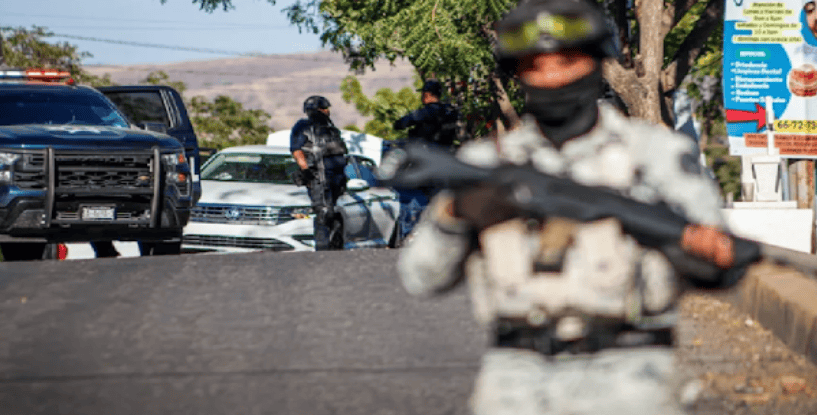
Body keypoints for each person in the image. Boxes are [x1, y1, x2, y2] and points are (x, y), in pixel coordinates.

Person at [397, 0, 731, 413]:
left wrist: (666, 232)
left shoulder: (655, 154)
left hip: (633, 374)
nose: (551, 77)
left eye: (567, 62)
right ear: (516, 73)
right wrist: (456, 214)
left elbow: (717, 259)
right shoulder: (486, 163)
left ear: (596, 62)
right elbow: (420, 278)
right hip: (513, 380)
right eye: (535, 66)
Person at [290, 95, 348, 251]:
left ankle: (334, 246)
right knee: (323, 212)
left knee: (332, 212)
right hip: (319, 177)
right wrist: (306, 171)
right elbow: (297, 150)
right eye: (325, 108)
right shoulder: (303, 126)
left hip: (335, 178)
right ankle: (322, 251)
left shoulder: (331, 129)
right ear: (317, 110)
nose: (328, 111)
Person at [393, 79, 461, 152]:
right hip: (446, 153)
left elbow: (400, 124)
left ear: (427, 94)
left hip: (426, 153)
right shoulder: (450, 110)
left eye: (423, 94)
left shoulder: (427, 111)